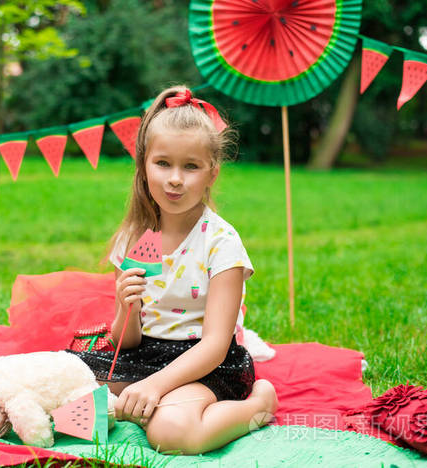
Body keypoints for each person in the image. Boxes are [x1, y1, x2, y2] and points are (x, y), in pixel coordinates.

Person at [69, 85, 278, 454]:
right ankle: (133, 407)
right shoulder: (133, 238)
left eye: (191, 166)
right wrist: (126, 307)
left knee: (170, 434)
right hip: (142, 355)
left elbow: (215, 345)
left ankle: (257, 406)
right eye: (163, 163)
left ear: (211, 174)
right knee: (63, 394)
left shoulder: (222, 244)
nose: (175, 179)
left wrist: (154, 386)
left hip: (203, 364)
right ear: (145, 166)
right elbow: (124, 342)